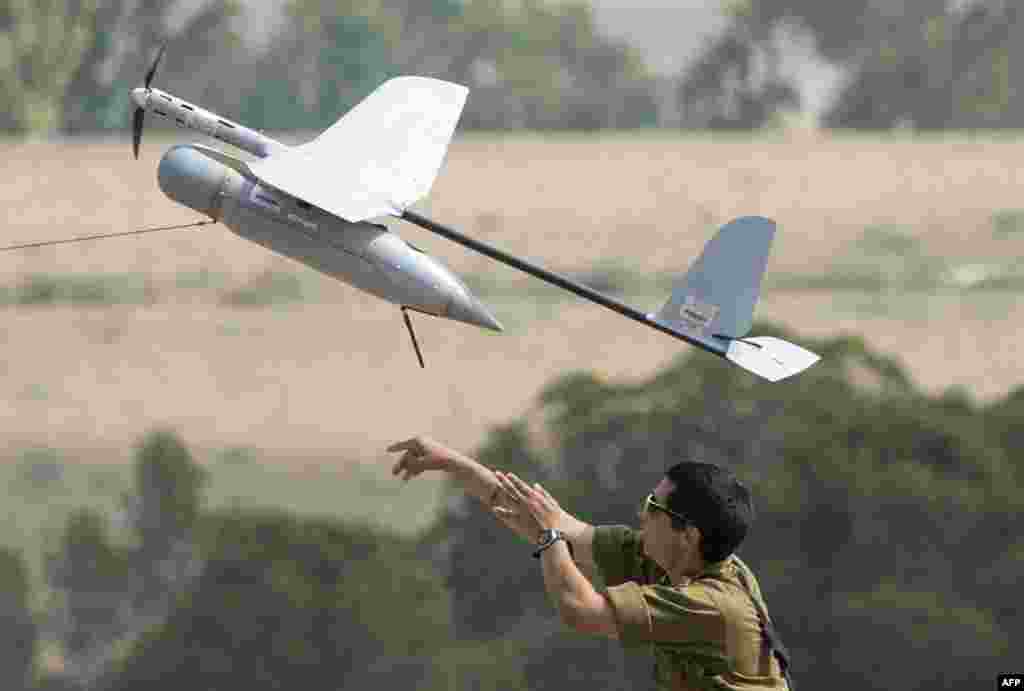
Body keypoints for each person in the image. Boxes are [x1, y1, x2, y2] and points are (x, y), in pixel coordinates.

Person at [387, 436, 793, 691]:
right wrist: (454, 464)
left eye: (653, 506)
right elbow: (548, 522)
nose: (641, 513)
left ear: (688, 534)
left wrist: (549, 537)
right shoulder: (674, 559)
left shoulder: (712, 604)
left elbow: (581, 610)